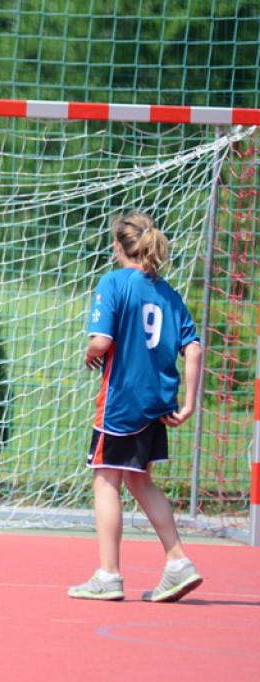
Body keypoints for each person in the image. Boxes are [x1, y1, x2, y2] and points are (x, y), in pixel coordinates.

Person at [68, 210, 203, 603]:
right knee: (140, 481)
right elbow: (193, 349)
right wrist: (190, 404)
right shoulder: (168, 293)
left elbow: (103, 339)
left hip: (121, 400)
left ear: (118, 247)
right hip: (155, 402)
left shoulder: (114, 282)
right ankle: (178, 562)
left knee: (105, 479)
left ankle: (109, 574)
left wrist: (90, 352)